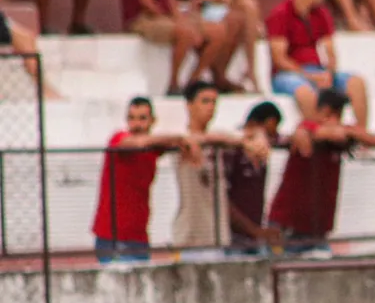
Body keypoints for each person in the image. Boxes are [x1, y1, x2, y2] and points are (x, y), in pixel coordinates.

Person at [266, 0, 375, 140]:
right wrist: (309, 76)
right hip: (290, 73)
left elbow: (330, 51)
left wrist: (328, 73)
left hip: (317, 70)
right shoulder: (281, 14)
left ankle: (361, 135)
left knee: (356, 83)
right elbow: (279, 58)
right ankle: (320, 137)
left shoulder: (320, 13)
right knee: (305, 93)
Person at [267, 88, 375, 254]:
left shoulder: (342, 135)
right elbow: (306, 140)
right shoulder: (306, 127)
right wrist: (335, 132)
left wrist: (349, 132)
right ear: (328, 111)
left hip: (317, 227)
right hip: (289, 225)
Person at [91, 97, 200, 263]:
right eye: (132, 118)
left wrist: (186, 144)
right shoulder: (119, 139)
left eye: (142, 118)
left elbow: (199, 140)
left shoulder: (152, 149)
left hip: (139, 237)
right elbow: (137, 143)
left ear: (152, 121)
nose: (136, 125)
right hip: (112, 237)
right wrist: (178, 138)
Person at [172, 81, 269, 258]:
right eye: (205, 101)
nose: (210, 107)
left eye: (214, 102)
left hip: (218, 236)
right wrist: (243, 142)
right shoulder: (182, 141)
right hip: (192, 237)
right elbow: (195, 139)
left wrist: (259, 138)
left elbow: (252, 133)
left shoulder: (219, 141)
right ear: (189, 105)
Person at [224, 101, 284, 256]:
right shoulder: (233, 153)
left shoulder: (262, 159)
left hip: (253, 237)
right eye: (267, 132)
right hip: (233, 239)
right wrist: (254, 230)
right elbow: (223, 200)